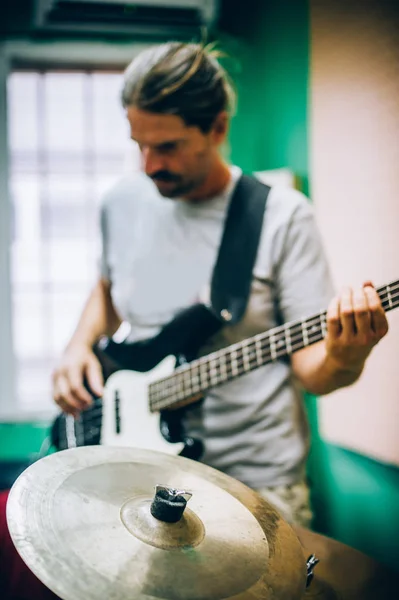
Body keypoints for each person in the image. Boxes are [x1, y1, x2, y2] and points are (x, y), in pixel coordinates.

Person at [51, 42, 389, 528]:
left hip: (256, 487)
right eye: (138, 145)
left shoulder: (280, 216)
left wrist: (347, 353)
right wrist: (77, 345)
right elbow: (107, 289)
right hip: (139, 477)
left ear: (218, 128)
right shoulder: (120, 203)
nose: (148, 165)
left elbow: (314, 372)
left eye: (166, 146)